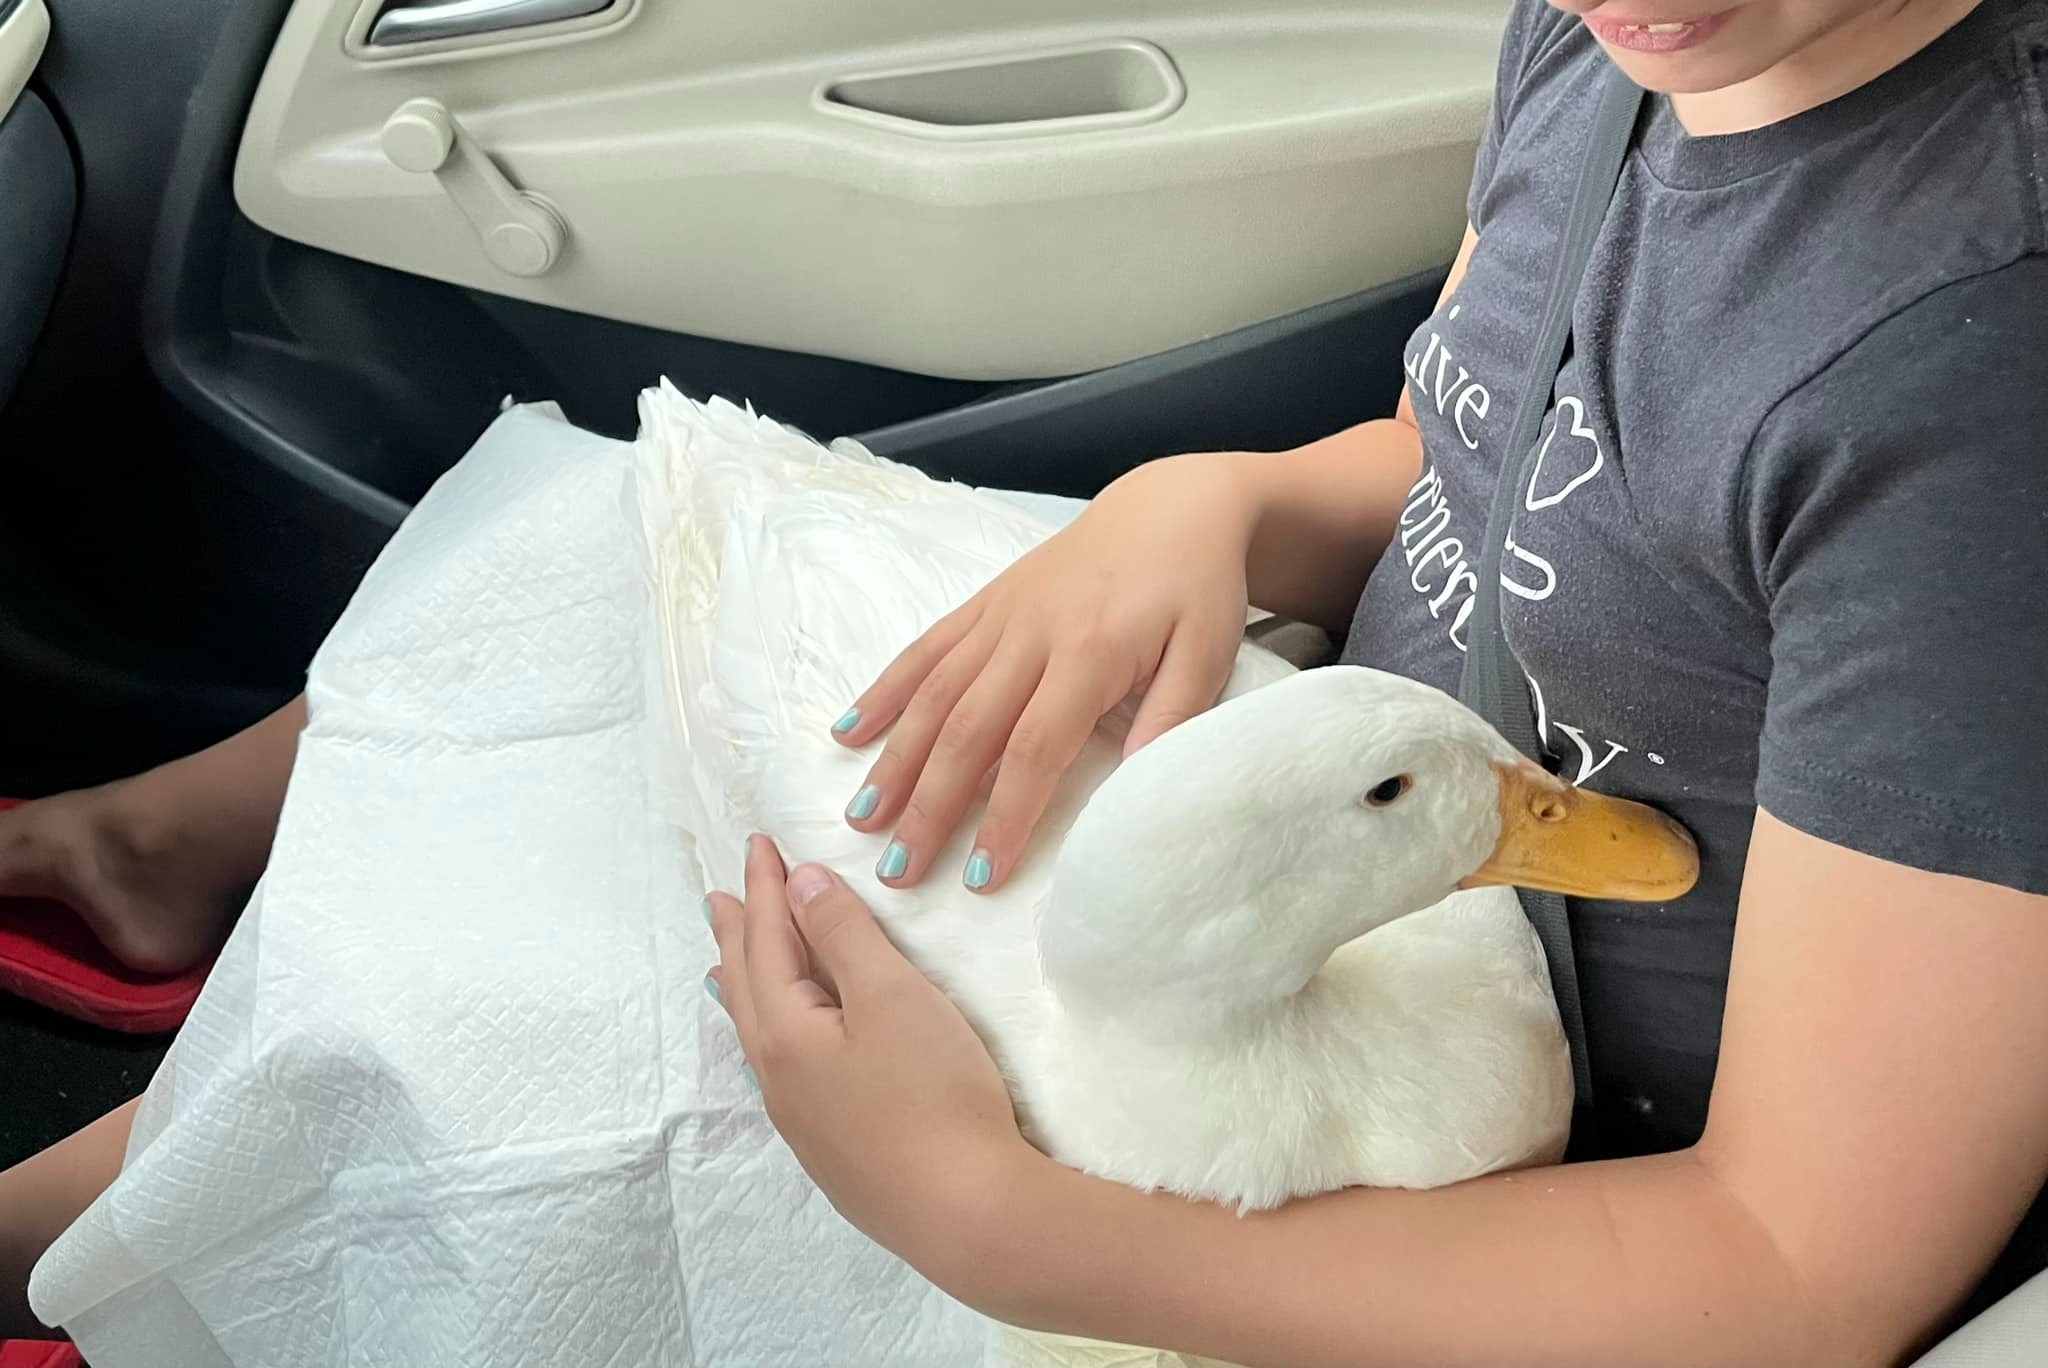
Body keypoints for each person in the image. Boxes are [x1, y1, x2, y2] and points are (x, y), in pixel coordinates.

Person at [5, 0, 2046, 1360]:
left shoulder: (1978, 391)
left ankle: (80, 1220)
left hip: (1448, 1113)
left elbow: (1794, 1267)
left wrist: (992, 1222)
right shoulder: (1620, 49)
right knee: (622, 552)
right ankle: (166, 864)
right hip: (1306, 764)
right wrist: (1216, 500)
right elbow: (1475, 443)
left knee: (541, 998)